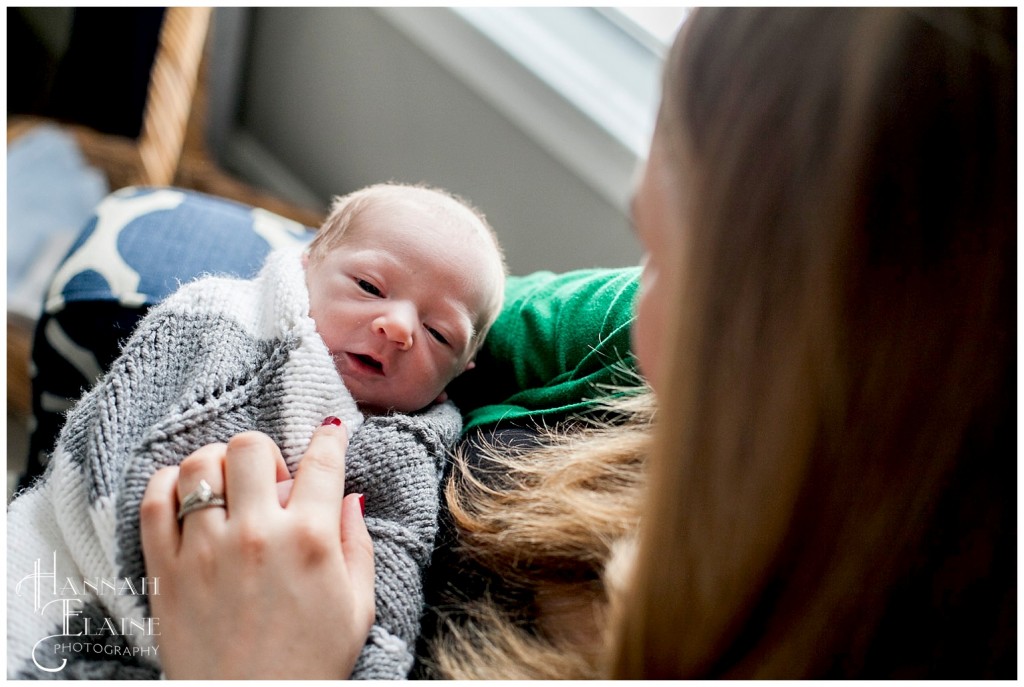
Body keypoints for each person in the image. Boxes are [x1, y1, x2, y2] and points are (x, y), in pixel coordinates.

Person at [118, 6, 1015, 679]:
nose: (635, 302)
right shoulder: (621, 334)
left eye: (667, 261)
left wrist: (256, 666)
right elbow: (442, 299)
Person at [6, 182, 507, 679]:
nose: (398, 326)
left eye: (439, 334)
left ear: (458, 374)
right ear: (308, 264)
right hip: (87, 577)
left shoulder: (413, 453)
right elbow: (132, 434)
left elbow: (394, 575)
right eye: (370, 287)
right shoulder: (222, 321)